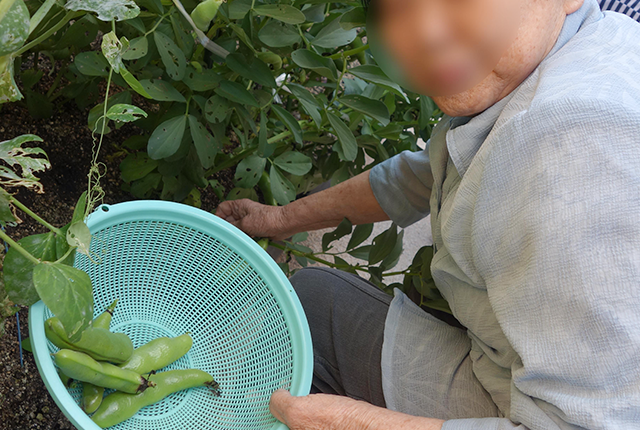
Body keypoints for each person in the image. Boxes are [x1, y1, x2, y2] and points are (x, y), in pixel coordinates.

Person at [217, 0, 640, 428]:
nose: (426, 35)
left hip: (545, 413)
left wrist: (355, 421)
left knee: (310, 312)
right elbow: (425, 175)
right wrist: (277, 220)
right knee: (315, 297)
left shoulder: (570, 146)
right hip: (529, 366)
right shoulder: (596, 42)